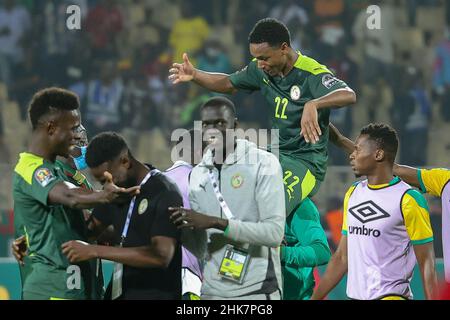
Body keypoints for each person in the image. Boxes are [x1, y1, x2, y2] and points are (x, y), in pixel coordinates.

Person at [169, 17, 356, 217]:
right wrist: (195, 74)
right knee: (231, 188)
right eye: (256, 58)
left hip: (306, 162)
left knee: (270, 207)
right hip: (274, 153)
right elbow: (228, 83)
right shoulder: (261, 69)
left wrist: (314, 103)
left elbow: (349, 95)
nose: (260, 64)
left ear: (284, 48)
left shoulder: (311, 73)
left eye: (264, 58)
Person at [12, 87, 140, 300]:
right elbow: (69, 196)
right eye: (72, 129)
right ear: (51, 128)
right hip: (52, 291)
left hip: (80, 288)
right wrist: (105, 197)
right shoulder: (31, 168)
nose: (77, 135)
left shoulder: (60, 171)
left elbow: (85, 226)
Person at [169, 96, 286, 300]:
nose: (212, 130)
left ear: (235, 125)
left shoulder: (264, 164)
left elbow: (274, 234)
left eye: (220, 123)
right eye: (206, 124)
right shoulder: (198, 174)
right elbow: (202, 249)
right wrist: (180, 232)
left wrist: (218, 222)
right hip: (212, 293)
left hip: (257, 291)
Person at [312, 123, 438, 300]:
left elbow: (427, 263)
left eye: (358, 150)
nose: (352, 155)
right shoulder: (353, 193)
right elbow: (341, 257)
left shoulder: (408, 199)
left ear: (378, 154)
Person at [61, 132, 183, 300]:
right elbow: (90, 231)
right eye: (101, 183)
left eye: (106, 180)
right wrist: (33, 236)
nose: (106, 187)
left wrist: (95, 251)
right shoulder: (115, 192)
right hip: (120, 293)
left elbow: (160, 256)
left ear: (125, 161)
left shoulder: (164, 191)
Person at [12, 124, 105, 299]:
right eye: (78, 141)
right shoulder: (48, 175)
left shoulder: (81, 181)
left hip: (85, 282)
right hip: (56, 286)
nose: (84, 148)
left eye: (84, 141)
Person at [164, 129, 204, 300]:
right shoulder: (198, 180)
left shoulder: (158, 180)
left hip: (161, 276)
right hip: (188, 280)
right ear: (197, 152)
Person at [282, 197, 331, 300]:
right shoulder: (246, 200)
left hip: (292, 295)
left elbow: (322, 251)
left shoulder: (300, 206)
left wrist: (279, 253)